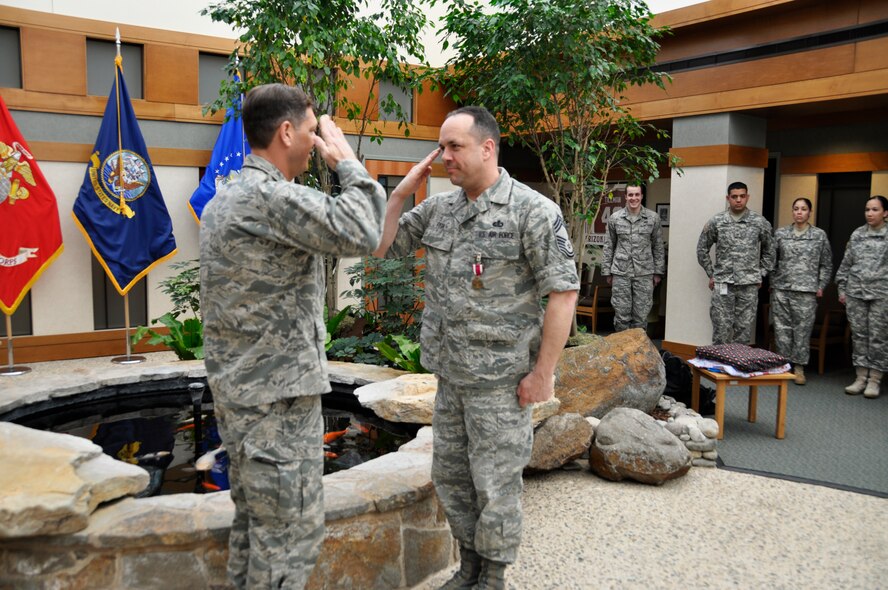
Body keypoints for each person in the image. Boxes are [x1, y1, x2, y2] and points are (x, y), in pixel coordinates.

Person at [373, 106, 579, 589]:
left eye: (454, 147)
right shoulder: (441, 210)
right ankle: (469, 567)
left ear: (488, 148)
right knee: (454, 481)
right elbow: (382, 247)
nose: (443, 157)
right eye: (440, 147)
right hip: (452, 379)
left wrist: (543, 372)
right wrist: (401, 192)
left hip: (503, 384)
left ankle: (494, 578)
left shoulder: (532, 211)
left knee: (496, 485)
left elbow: (563, 292)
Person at [199, 84, 386, 589]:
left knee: (255, 534)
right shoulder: (271, 197)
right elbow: (365, 229)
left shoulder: (227, 197)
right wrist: (345, 159)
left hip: (246, 398)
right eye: (310, 132)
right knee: (289, 542)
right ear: (286, 131)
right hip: (276, 405)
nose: (315, 143)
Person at [696, 181, 775, 344]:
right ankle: (718, 368)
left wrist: (760, 273)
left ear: (747, 197)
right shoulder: (717, 222)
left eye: (742, 196)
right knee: (721, 331)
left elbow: (771, 250)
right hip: (723, 284)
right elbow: (701, 249)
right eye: (734, 197)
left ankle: (737, 368)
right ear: (728, 198)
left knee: (743, 332)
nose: (738, 200)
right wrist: (712, 274)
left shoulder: (759, 222)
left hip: (748, 286)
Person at [770, 197, 833, 385]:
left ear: (809, 212)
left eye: (803, 209)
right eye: (796, 208)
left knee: (802, 330)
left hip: (806, 290)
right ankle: (783, 365)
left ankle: (799, 367)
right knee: (781, 329)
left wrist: (820, 285)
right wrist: (773, 282)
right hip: (782, 288)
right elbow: (772, 261)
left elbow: (826, 264)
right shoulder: (781, 234)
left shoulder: (819, 235)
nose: (799, 212)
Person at [836, 195, 888, 398]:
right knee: (859, 336)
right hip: (856, 293)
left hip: (881, 295)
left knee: (878, 337)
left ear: (885, 213)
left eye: (875, 209)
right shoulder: (857, 234)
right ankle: (860, 377)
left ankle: (874, 380)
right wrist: (842, 289)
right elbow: (846, 264)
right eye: (867, 209)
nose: (870, 213)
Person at [600, 184, 665, 332]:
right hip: (620, 273)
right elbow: (609, 245)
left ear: (641, 196)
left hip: (644, 273)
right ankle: (621, 352)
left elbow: (658, 247)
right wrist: (607, 272)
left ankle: (638, 353)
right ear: (625, 197)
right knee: (621, 317)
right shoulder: (615, 218)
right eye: (630, 195)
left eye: (637, 195)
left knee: (640, 317)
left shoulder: (653, 218)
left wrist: (658, 272)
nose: (633, 198)